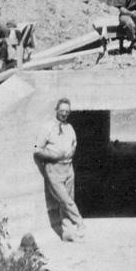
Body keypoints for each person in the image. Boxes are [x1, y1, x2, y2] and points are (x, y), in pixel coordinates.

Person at [33, 98, 84, 242]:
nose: (64, 114)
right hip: (54, 169)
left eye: (67, 112)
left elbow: (74, 142)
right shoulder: (47, 127)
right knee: (66, 201)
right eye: (62, 111)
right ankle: (80, 222)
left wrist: (71, 151)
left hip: (68, 168)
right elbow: (37, 149)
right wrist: (53, 155)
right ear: (56, 110)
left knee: (67, 201)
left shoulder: (69, 127)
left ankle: (67, 233)